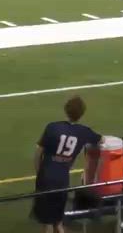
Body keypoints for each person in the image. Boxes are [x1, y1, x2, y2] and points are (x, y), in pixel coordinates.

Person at [33, 96, 102, 233]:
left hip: (46, 176)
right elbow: (101, 140)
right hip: (63, 178)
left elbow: (38, 152)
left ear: (66, 110)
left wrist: (39, 172)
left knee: (46, 223)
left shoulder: (52, 127)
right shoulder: (84, 131)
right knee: (58, 221)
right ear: (82, 113)